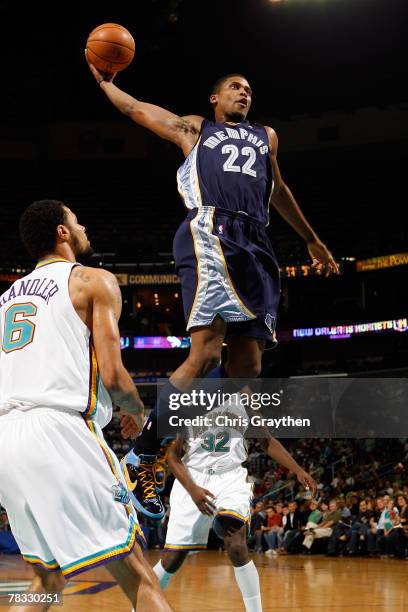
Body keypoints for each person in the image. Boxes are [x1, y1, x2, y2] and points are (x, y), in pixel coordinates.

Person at [86, 57, 339, 520]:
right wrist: (107, 84)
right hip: (211, 232)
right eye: (236, 88)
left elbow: (278, 190)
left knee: (247, 367)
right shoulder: (195, 130)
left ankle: (157, 438)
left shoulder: (268, 137)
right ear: (215, 98)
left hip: (258, 244)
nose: (244, 93)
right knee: (203, 354)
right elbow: (138, 110)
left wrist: (312, 239)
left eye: (249, 90)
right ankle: (144, 451)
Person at [0, 200, 172, 612]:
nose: (83, 226)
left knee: (46, 578)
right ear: (62, 232)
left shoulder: (5, 298)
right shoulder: (91, 281)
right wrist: (137, 410)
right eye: (76, 220)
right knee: (139, 575)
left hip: (7, 440)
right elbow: (113, 376)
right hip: (59, 433)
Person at [151, 395, 316, 612]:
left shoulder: (245, 398)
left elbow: (266, 441)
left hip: (230, 477)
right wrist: (193, 490)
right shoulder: (190, 398)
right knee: (172, 558)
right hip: (191, 478)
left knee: (236, 544)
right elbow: (173, 456)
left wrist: (298, 470)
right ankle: (140, 605)